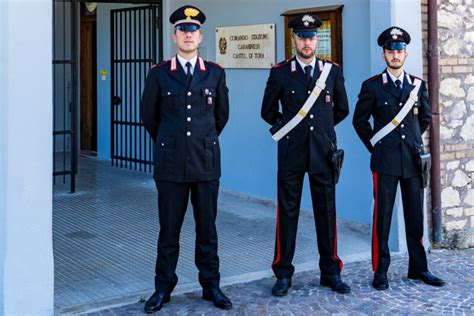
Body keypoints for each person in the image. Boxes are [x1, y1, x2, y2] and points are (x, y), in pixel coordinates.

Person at [140, 5, 232, 313]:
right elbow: (149, 117)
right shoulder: (159, 74)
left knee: (207, 230)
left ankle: (211, 286)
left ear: (200, 36)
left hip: (205, 164)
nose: (188, 35)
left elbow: (221, 117)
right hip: (170, 165)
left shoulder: (215, 73)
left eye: (193, 31)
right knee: (169, 231)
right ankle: (163, 289)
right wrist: (170, 143)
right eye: (183, 30)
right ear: (174, 36)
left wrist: (200, 142)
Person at [261, 13, 350, 296]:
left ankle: (331, 272)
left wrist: (321, 132)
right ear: (294, 39)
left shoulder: (331, 71)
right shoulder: (280, 72)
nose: (307, 42)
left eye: (312, 37)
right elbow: (267, 111)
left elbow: (341, 109)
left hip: (323, 153)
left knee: (326, 212)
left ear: (317, 40)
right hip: (291, 152)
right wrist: (290, 132)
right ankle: (283, 274)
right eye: (302, 37)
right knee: (287, 213)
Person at [353, 26, 445, 290]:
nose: (395, 55)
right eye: (390, 51)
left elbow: (424, 119)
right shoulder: (372, 87)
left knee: (416, 217)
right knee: (383, 218)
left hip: (413, 161)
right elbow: (359, 121)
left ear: (406, 53)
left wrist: (413, 143)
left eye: (399, 50)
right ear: (383, 55)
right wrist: (377, 145)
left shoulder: (417, 85)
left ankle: (419, 268)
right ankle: (380, 271)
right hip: (385, 162)